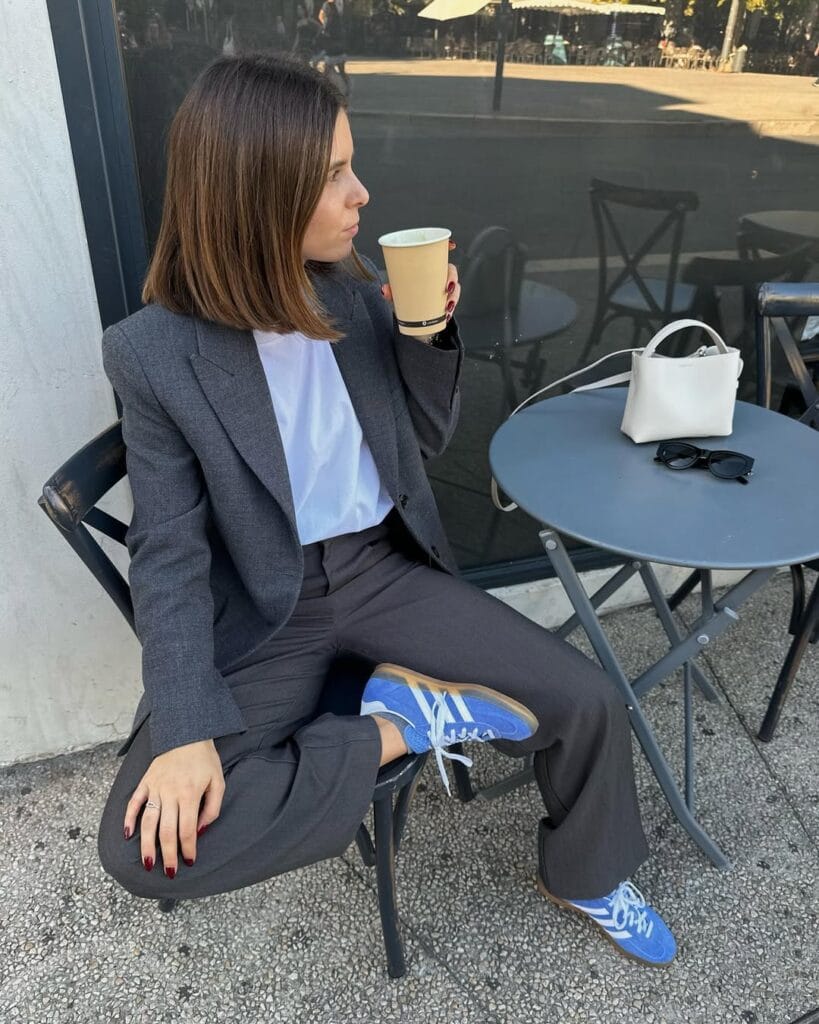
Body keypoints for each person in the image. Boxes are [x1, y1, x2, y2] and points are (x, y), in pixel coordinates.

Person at [96, 53, 676, 969]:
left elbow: (421, 443)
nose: (361, 193)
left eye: (350, 165)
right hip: (266, 606)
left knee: (588, 698)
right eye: (333, 175)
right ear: (257, 190)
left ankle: (583, 871)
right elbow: (166, 550)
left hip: (381, 571)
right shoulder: (154, 354)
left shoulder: (355, 298)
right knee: (143, 847)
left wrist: (427, 334)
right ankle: (406, 719)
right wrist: (184, 731)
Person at [317, 0, 349, 91]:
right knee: (329, 68)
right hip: (332, 39)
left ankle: (346, 88)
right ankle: (324, 88)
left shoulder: (341, 4)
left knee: (339, 69)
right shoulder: (328, 4)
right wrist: (325, 27)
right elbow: (321, 16)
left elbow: (321, 16)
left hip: (336, 39)